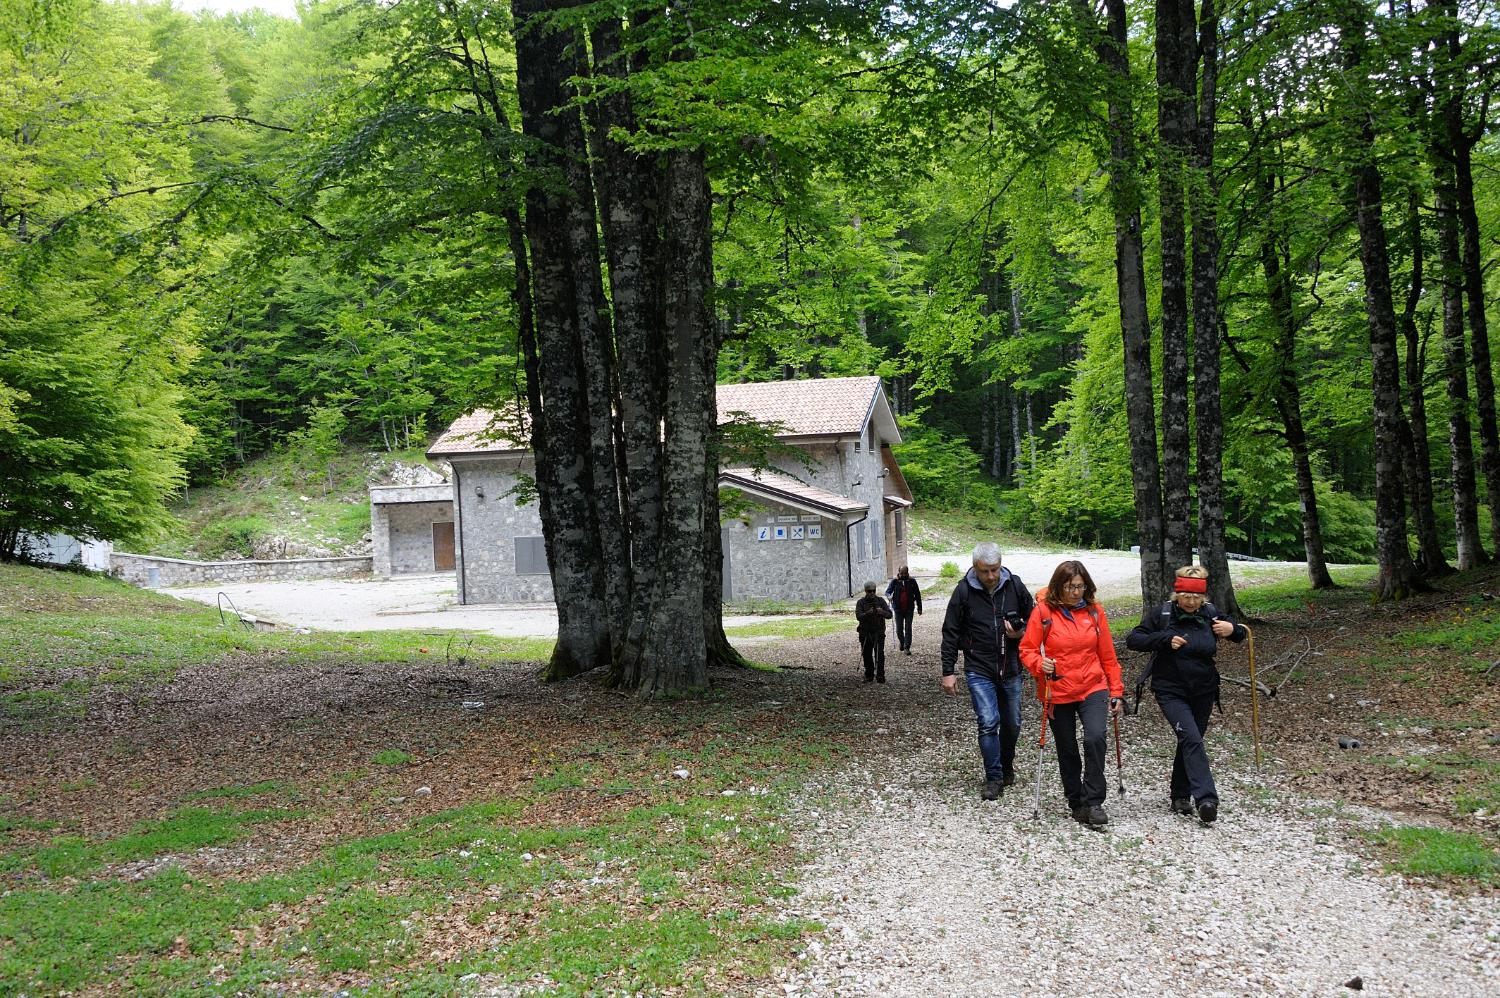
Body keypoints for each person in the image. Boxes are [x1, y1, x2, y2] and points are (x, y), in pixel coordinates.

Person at [1125, 565, 1247, 825]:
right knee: (1191, 738)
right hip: (1170, 689)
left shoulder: (1211, 613)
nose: (1190, 602)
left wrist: (1232, 629)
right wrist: (1164, 640)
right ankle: (1206, 799)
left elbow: (1240, 634)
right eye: (1185, 596)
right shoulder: (1163, 614)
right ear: (1176, 594)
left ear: (1203, 597)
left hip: (1204, 689)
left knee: (1189, 739)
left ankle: (1180, 795)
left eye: (1196, 597)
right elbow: (1134, 639)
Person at [1019, 560, 1124, 829]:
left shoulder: (1095, 612)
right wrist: (1038, 663)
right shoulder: (1043, 612)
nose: (1076, 592)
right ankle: (1075, 801)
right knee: (1067, 749)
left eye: (1080, 586)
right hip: (1058, 688)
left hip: (1092, 684)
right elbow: (1027, 649)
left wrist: (1116, 691)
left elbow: (1108, 656)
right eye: (1070, 587)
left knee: (1095, 738)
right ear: (1058, 586)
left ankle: (1094, 801)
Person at [940, 542, 1035, 800]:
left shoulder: (1015, 586)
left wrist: (1021, 632)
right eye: (985, 571)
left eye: (995, 569)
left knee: (1012, 723)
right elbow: (950, 632)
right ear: (975, 568)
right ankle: (994, 777)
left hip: (1012, 667)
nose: (991, 576)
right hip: (978, 668)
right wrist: (948, 671)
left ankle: (1006, 765)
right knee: (988, 722)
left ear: (1000, 565)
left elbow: (1036, 619)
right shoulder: (963, 591)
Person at [854, 580, 893, 683]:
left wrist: (882, 612)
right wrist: (868, 613)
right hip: (865, 632)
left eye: (873, 591)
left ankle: (880, 675)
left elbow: (890, 614)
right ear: (865, 591)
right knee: (867, 654)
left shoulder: (880, 601)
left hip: (878, 632)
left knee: (880, 654)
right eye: (869, 591)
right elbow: (858, 616)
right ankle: (869, 675)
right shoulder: (861, 602)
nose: (871, 593)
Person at [885, 566, 923, 654]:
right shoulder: (895, 581)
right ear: (899, 572)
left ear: (907, 572)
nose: (903, 575)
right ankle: (902, 642)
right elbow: (888, 591)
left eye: (905, 573)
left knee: (908, 628)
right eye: (902, 573)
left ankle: (907, 647)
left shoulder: (912, 581)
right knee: (899, 628)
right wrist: (889, 596)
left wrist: (919, 607)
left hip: (909, 608)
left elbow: (917, 595)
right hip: (898, 609)